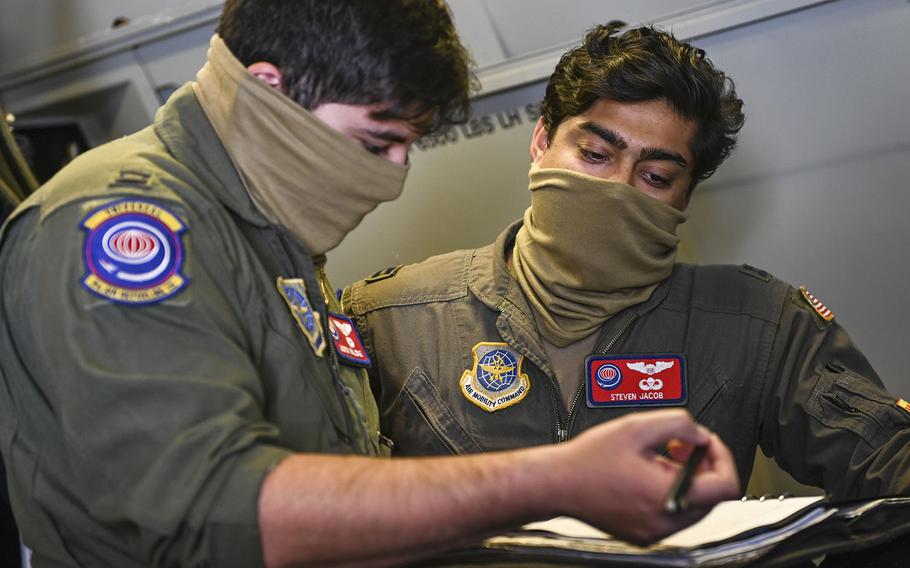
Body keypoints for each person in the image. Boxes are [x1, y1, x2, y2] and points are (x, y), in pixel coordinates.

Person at [0, 4, 740, 567]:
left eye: (406, 148)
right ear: (267, 92)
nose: (394, 180)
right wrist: (554, 480)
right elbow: (212, 508)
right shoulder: (123, 226)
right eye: (374, 143)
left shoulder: (272, 240)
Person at [344, 22, 910, 501]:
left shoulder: (760, 325)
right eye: (594, 154)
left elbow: (893, 470)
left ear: (685, 197)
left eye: (655, 176)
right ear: (542, 142)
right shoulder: (390, 319)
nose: (616, 187)